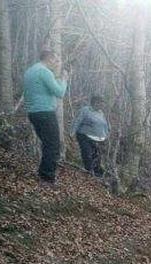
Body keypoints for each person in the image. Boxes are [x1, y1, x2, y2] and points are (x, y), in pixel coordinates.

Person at [23, 50, 68, 185]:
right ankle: (47, 178)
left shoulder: (30, 71)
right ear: (49, 59)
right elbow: (60, 92)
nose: (55, 64)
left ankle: (44, 174)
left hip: (33, 113)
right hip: (45, 112)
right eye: (55, 61)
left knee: (48, 144)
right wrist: (64, 79)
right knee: (53, 146)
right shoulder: (44, 72)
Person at [70, 95, 109, 177]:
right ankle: (89, 172)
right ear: (95, 102)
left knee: (97, 156)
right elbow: (77, 121)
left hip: (98, 138)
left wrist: (106, 134)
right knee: (87, 154)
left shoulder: (101, 113)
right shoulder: (85, 110)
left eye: (103, 103)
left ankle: (97, 173)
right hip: (84, 136)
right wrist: (72, 133)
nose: (102, 105)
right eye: (101, 103)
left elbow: (104, 125)